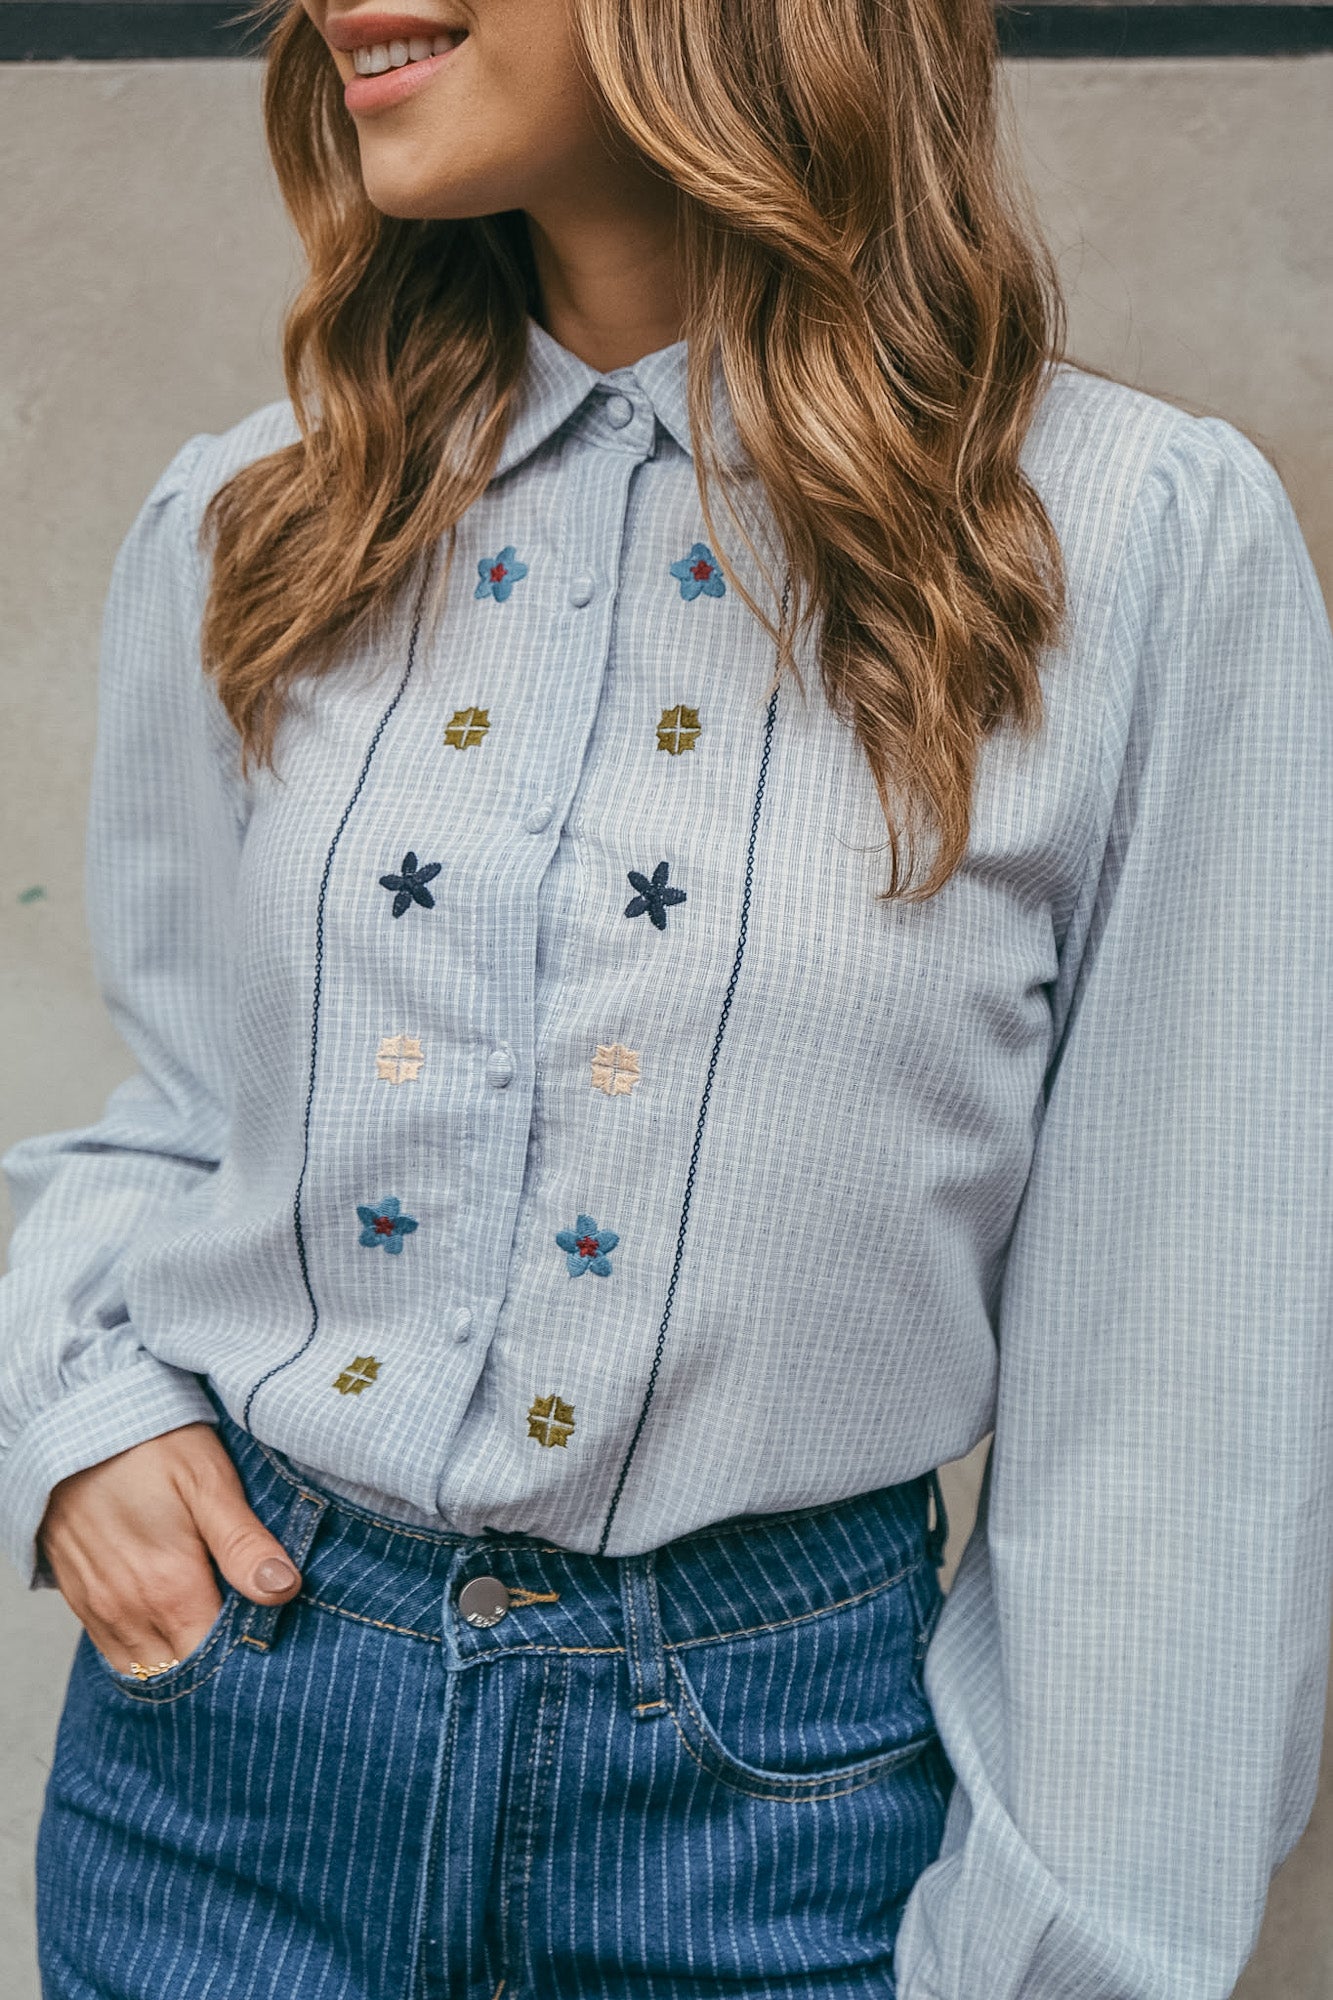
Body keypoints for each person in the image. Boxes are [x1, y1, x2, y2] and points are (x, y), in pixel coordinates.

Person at [3, 0, 1330, 1993]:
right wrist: (78, 1413)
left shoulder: (1133, 540)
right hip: (227, 1769)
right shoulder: (258, 515)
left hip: (774, 1831)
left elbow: (1189, 1366)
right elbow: (188, 1119)